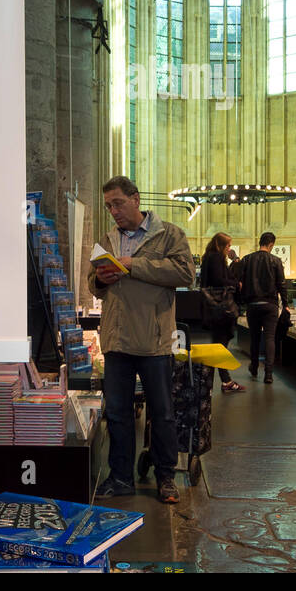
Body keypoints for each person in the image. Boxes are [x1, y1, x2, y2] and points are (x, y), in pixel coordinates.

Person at [88, 176, 195, 504]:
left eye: (118, 203)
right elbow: (94, 286)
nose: (114, 211)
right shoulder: (108, 238)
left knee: (162, 413)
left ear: (135, 200)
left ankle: (166, 477)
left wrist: (134, 264)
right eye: (108, 206)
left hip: (155, 340)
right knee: (118, 414)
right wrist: (101, 279)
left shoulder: (169, 234)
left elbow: (184, 274)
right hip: (116, 340)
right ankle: (120, 478)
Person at [238, 232, 287, 383]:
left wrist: (243, 301)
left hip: (253, 304)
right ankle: (269, 374)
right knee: (270, 338)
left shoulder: (247, 259)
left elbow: (240, 282)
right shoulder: (276, 260)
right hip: (270, 305)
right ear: (271, 244)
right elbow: (281, 284)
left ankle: (254, 367)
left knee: (254, 338)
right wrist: (285, 304)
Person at [199, 233, 245, 393]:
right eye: (228, 246)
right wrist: (236, 283)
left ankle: (219, 380)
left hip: (213, 308)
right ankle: (223, 381)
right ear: (221, 245)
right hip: (221, 307)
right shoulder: (216, 258)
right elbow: (220, 280)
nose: (229, 249)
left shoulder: (207, 258)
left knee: (219, 344)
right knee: (220, 345)